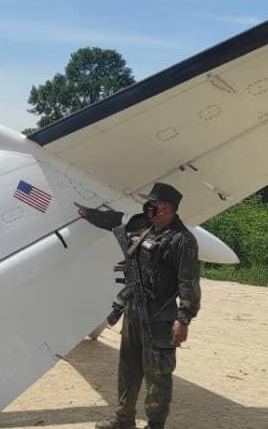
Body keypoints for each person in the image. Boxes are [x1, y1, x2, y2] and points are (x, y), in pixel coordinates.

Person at [79, 182, 201, 429]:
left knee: (157, 374)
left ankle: (155, 425)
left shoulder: (182, 240)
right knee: (128, 369)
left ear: (166, 208)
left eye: (153, 205)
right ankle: (124, 420)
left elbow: (188, 282)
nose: (148, 208)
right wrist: (88, 214)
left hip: (159, 317)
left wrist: (184, 318)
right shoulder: (143, 226)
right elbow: (114, 220)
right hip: (134, 311)